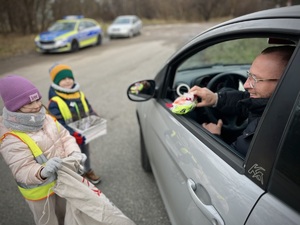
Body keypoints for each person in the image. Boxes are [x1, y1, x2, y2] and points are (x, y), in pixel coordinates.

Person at [0, 75, 86, 225]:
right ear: (14, 106)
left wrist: (74, 153)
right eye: (28, 102)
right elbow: (21, 168)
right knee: (47, 222)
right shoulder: (9, 136)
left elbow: (65, 138)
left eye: (37, 99)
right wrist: (42, 171)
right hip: (40, 194)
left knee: (65, 216)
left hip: (61, 181)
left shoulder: (46, 117)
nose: (36, 105)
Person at [189, 45, 295, 157]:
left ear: (285, 83)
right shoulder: (280, 104)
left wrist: (212, 136)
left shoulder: (264, 136)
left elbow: (228, 166)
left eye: (255, 79)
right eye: (249, 75)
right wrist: (216, 98)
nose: (245, 85)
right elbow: (250, 103)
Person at [47, 63, 101, 184]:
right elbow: (58, 123)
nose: (67, 81)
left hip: (84, 133)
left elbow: (88, 108)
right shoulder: (55, 101)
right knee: (73, 157)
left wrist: (94, 116)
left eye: (69, 78)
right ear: (56, 82)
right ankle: (79, 177)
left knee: (85, 153)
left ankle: (87, 170)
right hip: (69, 137)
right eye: (63, 79)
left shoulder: (79, 94)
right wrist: (73, 134)